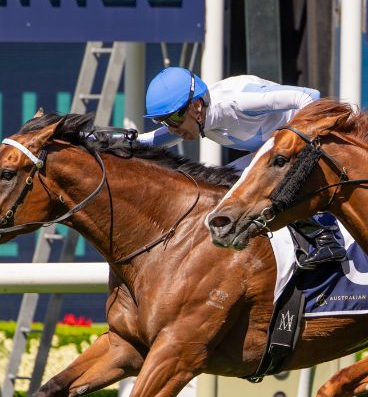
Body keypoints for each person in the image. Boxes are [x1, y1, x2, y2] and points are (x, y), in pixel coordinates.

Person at [139, 67, 347, 267]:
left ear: (196, 107)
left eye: (174, 119)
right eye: (162, 121)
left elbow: (309, 96)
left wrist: (298, 143)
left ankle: (326, 238)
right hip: (270, 154)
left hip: (300, 149)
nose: (171, 129)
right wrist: (125, 140)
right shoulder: (199, 118)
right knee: (220, 185)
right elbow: (157, 139)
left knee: (253, 181)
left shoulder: (238, 100)